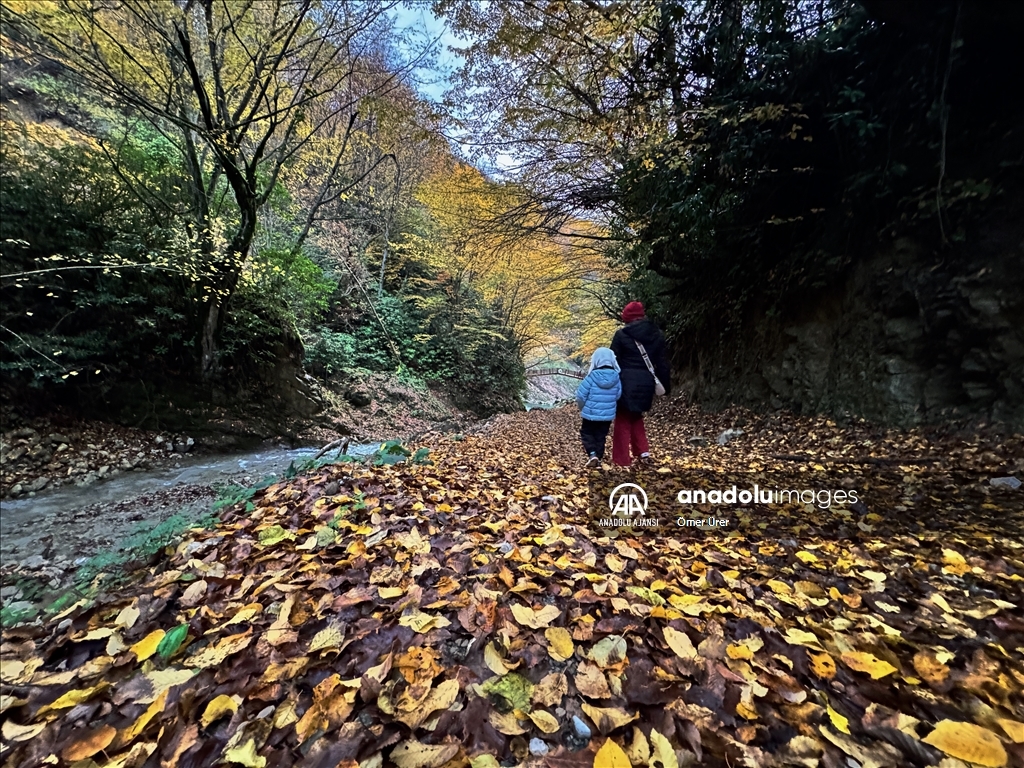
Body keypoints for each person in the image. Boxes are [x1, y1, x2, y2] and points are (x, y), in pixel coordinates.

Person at [610, 301, 671, 466]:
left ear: (627, 318)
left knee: (622, 418)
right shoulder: (656, 334)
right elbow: (663, 363)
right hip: (646, 383)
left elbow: (613, 363)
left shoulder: (621, 335)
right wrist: (665, 387)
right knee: (636, 415)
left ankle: (621, 459)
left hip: (625, 383)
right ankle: (643, 452)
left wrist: (608, 385)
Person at [575, 347, 622, 467]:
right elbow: (618, 395)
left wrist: (582, 408)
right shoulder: (616, 378)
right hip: (607, 416)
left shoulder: (591, 377)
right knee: (601, 436)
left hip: (590, 414)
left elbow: (581, 396)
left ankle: (592, 454)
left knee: (587, 433)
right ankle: (599, 459)